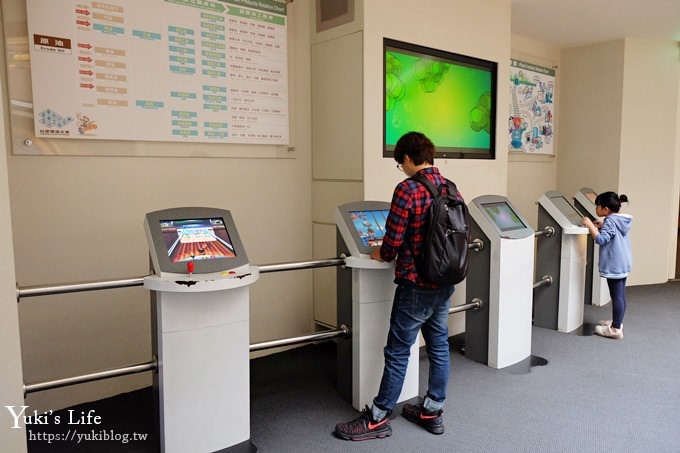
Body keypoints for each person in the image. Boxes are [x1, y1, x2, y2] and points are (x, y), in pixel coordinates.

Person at [334, 132, 462, 441]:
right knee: (439, 347)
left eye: (399, 163)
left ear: (406, 158)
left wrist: (381, 252)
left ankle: (377, 418)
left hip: (416, 284)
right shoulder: (449, 186)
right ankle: (432, 410)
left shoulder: (408, 189)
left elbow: (391, 242)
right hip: (444, 281)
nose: (401, 169)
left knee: (398, 351)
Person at [582, 192, 633, 340]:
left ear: (605, 209)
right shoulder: (619, 220)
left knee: (616, 296)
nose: (596, 209)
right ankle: (618, 322)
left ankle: (615, 329)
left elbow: (602, 239)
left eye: (597, 206)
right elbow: (613, 231)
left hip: (615, 264)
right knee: (621, 295)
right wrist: (602, 224)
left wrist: (591, 225)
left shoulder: (610, 221)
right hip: (623, 262)